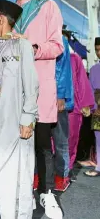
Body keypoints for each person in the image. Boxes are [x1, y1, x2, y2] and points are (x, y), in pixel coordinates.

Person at [3, 0, 63, 219]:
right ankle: (21, 190)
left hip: (39, 87)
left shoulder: (47, 7)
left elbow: (57, 46)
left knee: (41, 143)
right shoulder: (8, 12)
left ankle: (47, 194)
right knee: (16, 142)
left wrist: (32, 47)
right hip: (14, 88)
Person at [0, 0, 38, 219]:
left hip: (15, 121)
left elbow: (31, 84)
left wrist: (28, 117)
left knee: (16, 173)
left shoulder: (22, 46)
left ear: (1, 19)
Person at [51, 28, 74, 192]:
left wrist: (60, 96)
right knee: (39, 142)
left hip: (57, 99)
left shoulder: (60, 40)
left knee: (60, 141)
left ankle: (62, 177)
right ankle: (36, 176)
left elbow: (64, 70)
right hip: (38, 97)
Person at [68, 52, 94, 180]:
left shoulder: (74, 58)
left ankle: (66, 170)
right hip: (50, 106)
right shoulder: (45, 55)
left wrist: (85, 104)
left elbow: (82, 81)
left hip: (73, 106)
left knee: (71, 139)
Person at [85, 37, 100, 177]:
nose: (98, 52)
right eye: (97, 50)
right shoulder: (94, 69)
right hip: (97, 107)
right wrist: (92, 107)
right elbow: (90, 90)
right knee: (98, 137)